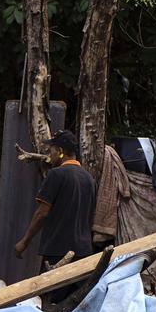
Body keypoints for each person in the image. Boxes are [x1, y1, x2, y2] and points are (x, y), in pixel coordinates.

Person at [14, 129, 97, 300]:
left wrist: (24, 241)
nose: (49, 153)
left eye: (51, 149)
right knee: (76, 302)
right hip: (83, 251)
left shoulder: (56, 174)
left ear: (60, 151)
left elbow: (42, 213)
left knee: (52, 302)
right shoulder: (89, 179)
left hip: (58, 251)